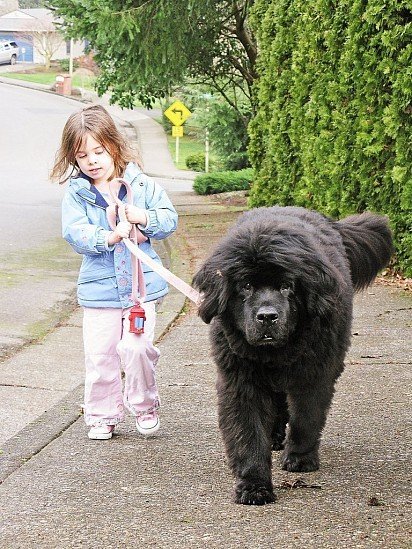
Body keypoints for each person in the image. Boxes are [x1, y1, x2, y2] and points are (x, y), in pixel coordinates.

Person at [51, 104, 178, 440]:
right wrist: (107, 237)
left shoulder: (140, 184)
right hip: (100, 292)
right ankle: (102, 414)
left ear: (114, 146)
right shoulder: (78, 195)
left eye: (98, 150)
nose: (92, 160)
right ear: (74, 160)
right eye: (82, 155)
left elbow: (168, 219)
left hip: (140, 291)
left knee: (136, 349)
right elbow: (74, 232)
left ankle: (144, 404)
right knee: (101, 356)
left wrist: (142, 217)